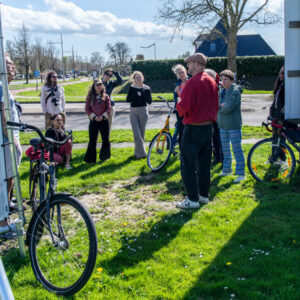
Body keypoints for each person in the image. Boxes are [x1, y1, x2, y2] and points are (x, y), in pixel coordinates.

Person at [176, 53, 219, 209]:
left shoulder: (193, 82)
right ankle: (203, 195)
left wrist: (179, 103)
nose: (188, 66)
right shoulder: (212, 81)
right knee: (204, 163)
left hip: (193, 126)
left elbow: (184, 107)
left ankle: (192, 199)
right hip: (208, 127)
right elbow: (215, 104)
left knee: (187, 163)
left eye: (189, 63)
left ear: (197, 63)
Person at [0, 53, 23, 221]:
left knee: (10, 179)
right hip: (7, 141)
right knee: (6, 180)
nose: (13, 66)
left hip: (11, 139)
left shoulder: (4, 86)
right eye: (9, 63)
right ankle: (3, 220)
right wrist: (11, 139)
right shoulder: (1, 86)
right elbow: (3, 114)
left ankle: (6, 213)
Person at [217, 69, 245, 183]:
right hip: (222, 124)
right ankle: (227, 169)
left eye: (226, 79)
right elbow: (217, 105)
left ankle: (241, 173)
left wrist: (220, 107)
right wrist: (221, 106)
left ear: (232, 80)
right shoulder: (221, 92)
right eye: (222, 79)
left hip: (233, 125)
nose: (223, 82)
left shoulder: (236, 91)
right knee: (225, 150)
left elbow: (229, 107)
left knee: (237, 149)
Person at [84, 79, 111, 163]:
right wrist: (94, 117)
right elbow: (87, 108)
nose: (99, 87)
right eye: (97, 85)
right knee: (92, 140)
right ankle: (91, 159)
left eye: (100, 85)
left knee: (105, 139)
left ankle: (105, 156)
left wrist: (103, 116)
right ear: (94, 86)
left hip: (103, 120)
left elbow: (108, 108)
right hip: (93, 121)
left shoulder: (106, 96)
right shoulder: (90, 97)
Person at [126, 71, 152, 159]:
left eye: (140, 77)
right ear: (134, 79)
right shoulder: (131, 88)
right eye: (137, 77)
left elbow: (149, 101)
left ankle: (138, 153)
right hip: (133, 111)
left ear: (142, 78)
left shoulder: (147, 88)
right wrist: (136, 95)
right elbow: (128, 100)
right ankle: (143, 154)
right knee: (136, 133)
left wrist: (142, 94)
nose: (139, 79)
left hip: (143, 111)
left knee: (141, 133)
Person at [205, 68, 223, 165]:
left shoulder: (218, 86)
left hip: (217, 115)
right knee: (214, 137)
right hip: (212, 115)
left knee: (218, 137)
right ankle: (217, 156)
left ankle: (220, 156)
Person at [101, 68, 123, 134]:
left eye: (110, 76)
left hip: (110, 106)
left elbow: (120, 80)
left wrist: (115, 73)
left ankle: (106, 142)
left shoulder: (111, 83)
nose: (108, 76)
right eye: (107, 74)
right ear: (103, 74)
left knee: (108, 126)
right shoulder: (98, 83)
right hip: (101, 107)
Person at [172, 64, 188, 147]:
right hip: (180, 110)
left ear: (186, 71)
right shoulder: (178, 84)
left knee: (188, 129)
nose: (181, 74)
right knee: (180, 129)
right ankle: (182, 148)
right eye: (179, 73)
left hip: (188, 110)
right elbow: (175, 98)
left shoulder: (191, 81)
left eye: (182, 72)